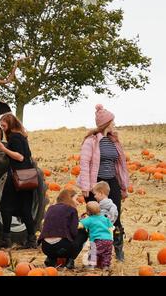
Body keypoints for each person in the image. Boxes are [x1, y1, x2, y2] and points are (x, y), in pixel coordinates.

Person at [77, 104, 129, 262]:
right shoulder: (91, 141)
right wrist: (86, 187)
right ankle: (90, 254)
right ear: (106, 123)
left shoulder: (114, 141)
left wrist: (122, 186)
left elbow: (120, 165)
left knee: (115, 217)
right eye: (112, 121)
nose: (114, 124)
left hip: (112, 183)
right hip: (96, 184)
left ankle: (118, 250)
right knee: (94, 219)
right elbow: (84, 164)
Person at [0, 113, 36, 249]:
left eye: (4, 124)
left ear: (10, 124)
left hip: (18, 177)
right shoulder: (21, 136)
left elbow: (20, 157)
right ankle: (31, 240)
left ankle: (6, 239)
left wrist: (3, 149)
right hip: (26, 176)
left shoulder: (15, 137)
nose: (2, 127)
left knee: (5, 207)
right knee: (25, 209)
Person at [38, 190, 88, 269]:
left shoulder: (50, 208)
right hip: (63, 247)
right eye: (76, 199)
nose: (78, 203)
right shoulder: (72, 210)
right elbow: (73, 232)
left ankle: (51, 258)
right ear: (69, 199)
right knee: (83, 233)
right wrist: (80, 226)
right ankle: (70, 260)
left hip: (45, 247)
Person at [79, 202, 114, 270]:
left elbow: (80, 225)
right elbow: (111, 227)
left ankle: (91, 265)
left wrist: (81, 219)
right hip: (109, 240)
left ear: (88, 212)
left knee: (94, 253)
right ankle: (105, 266)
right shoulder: (104, 218)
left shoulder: (89, 219)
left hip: (98, 240)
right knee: (106, 254)